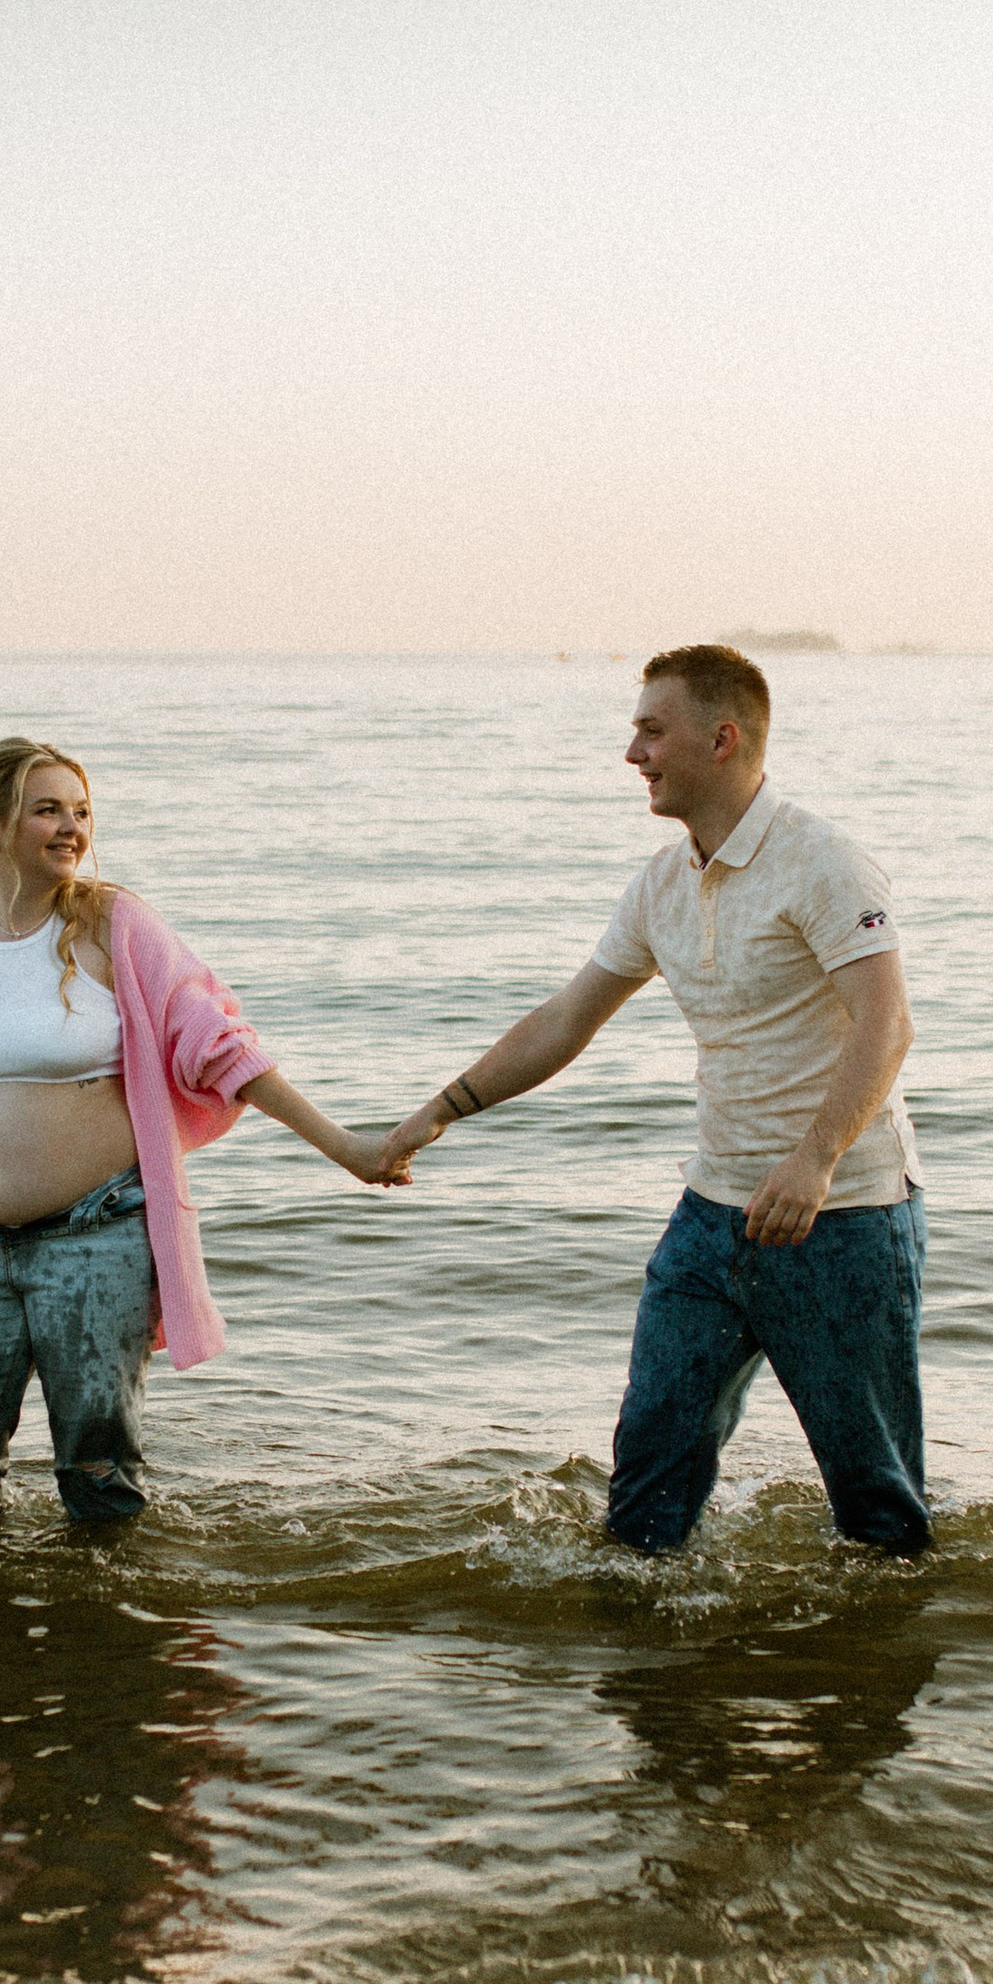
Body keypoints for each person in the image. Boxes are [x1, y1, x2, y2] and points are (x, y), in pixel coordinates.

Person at [376, 646, 928, 1557]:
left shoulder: (824, 861)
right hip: (712, 1218)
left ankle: (869, 1687)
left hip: (844, 1216)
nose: (632, 752)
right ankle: (650, 1680)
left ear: (722, 738)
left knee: (876, 1509)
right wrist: (438, 1112)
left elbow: (889, 1021)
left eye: (650, 730)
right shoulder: (662, 884)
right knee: (646, 1485)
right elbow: (565, 1018)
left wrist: (815, 1158)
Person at [0, 737, 392, 1527]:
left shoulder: (115, 925)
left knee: (98, 1471)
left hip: (95, 1238)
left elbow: (220, 1048)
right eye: (48, 810)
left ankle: (110, 1640)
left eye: (82, 811)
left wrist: (345, 1147)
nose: (72, 828)